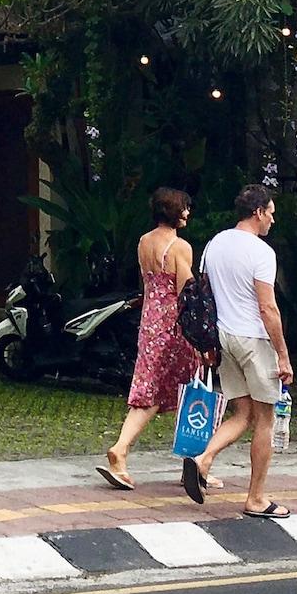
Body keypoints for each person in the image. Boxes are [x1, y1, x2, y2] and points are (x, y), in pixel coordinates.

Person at [183, 183, 294, 518]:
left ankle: (203, 460)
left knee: (242, 414)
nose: (273, 220)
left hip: (224, 337)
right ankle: (256, 498)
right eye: (271, 213)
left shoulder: (215, 244)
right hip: (254, 340)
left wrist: (205, 343)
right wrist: (283, 355)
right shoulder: (262, 253)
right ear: (258, 212)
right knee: (265, 420)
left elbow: (204, 295)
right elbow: (268, 308)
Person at [98, 187, 203, 490]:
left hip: (149, 322)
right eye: (184, 208)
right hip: (174, 326)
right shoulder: (179, 247)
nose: (188, 213)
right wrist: (199, 334)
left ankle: (190, 461)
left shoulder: (144, 241)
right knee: (188, 390)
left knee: (151, 387)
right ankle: (190, 461)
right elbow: (185, 292)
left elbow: (148, 285)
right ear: (173, 211)